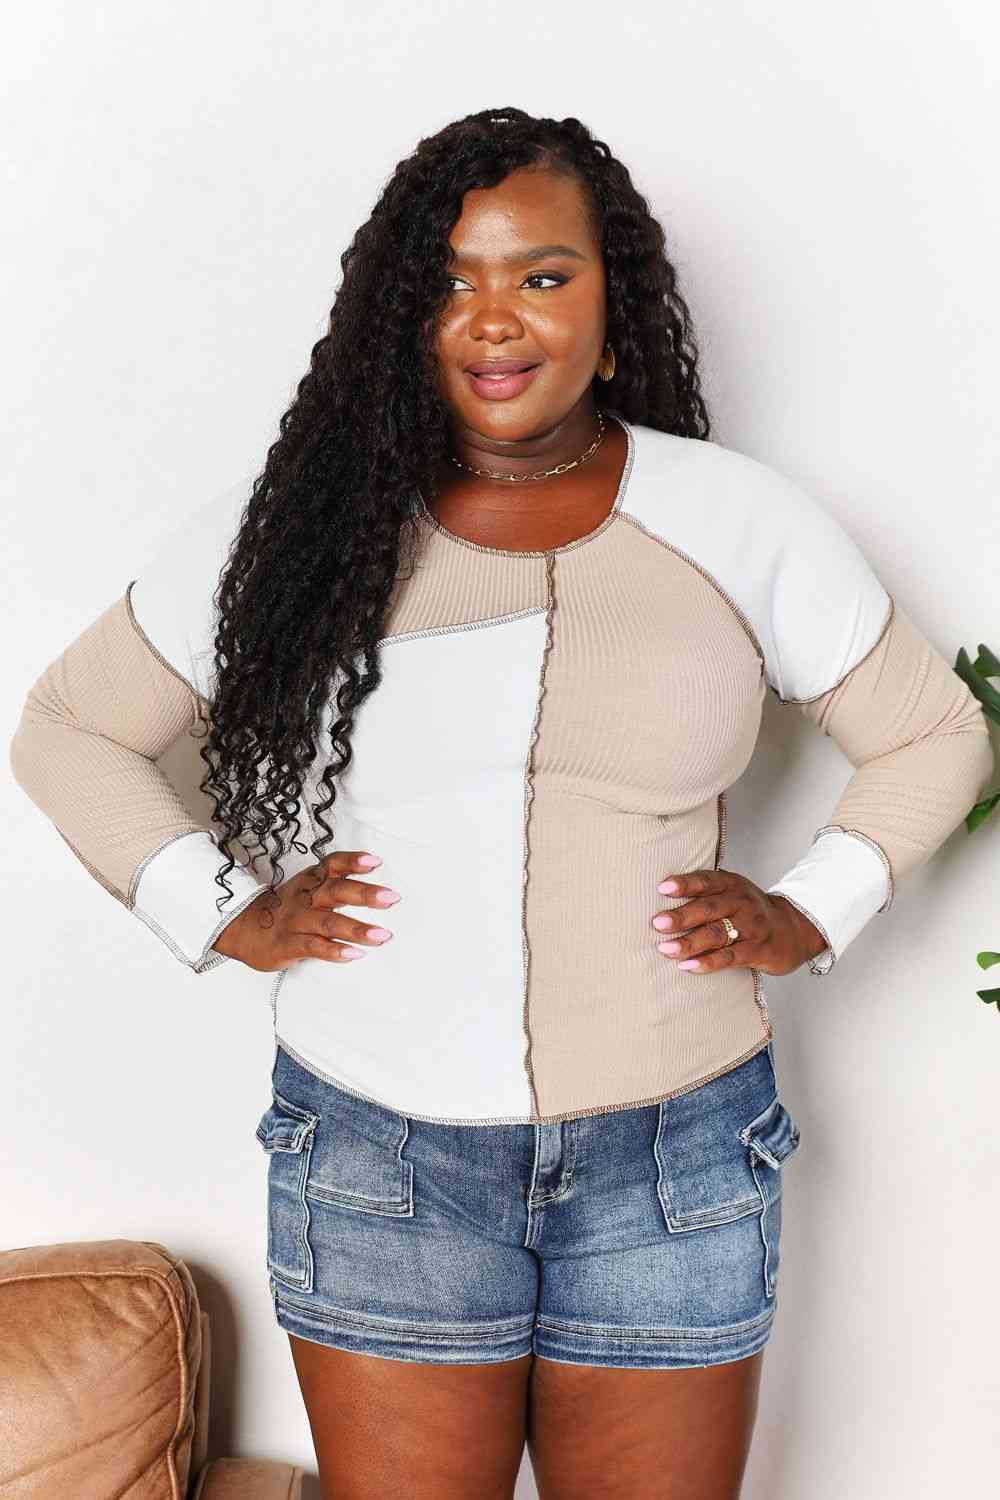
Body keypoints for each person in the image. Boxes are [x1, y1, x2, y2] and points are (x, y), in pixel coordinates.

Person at [9, 106, 994, 1500]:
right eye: (451, 280)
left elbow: (935, 731)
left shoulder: (737, 521)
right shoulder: (303, 523)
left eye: (542, 274)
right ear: (401, 317)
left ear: (613, 303)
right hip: (379, 1148)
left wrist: (808, 911)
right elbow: (69, 727)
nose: (494, 318)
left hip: (677, 1148)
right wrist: (222, 910)